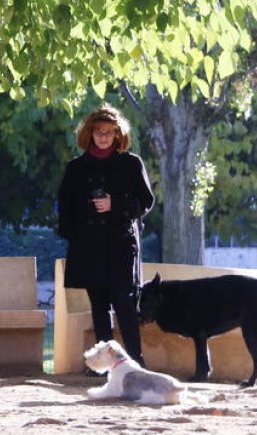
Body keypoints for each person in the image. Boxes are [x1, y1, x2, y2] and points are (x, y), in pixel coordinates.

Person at [56, 104, 155, 368]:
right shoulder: (76, 168)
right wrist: (74, 232)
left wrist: (117, 205)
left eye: (109, 132)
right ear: (89, 133)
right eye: (98, 131)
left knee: (125, 306)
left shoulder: (131, 163)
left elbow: (146, 201)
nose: (103, 136)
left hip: (121, 245)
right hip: (89, 247)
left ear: (117, 134)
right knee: (99, 308)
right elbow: (65, 205)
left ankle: (135, 363)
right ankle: (104, 367)